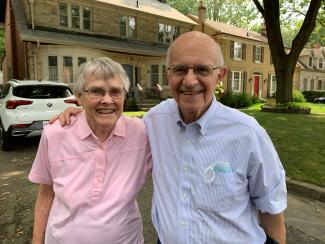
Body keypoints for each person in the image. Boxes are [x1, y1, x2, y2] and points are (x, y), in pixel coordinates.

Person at [53, 31, 287, 244]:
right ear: (168, 74)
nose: (190, 80)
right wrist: (81, 113)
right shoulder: (153, 122)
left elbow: (272, 209)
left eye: (202, 70)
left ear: (220, 75)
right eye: (180, 69)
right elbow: (111, 124)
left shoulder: (247, 133)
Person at [28, 57, 151, 244]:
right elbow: (46, 191)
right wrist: (37, 241)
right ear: (79, 96)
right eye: (96, 91)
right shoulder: (55, 134)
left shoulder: (141, 132)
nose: (107, 100)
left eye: (116, 92)